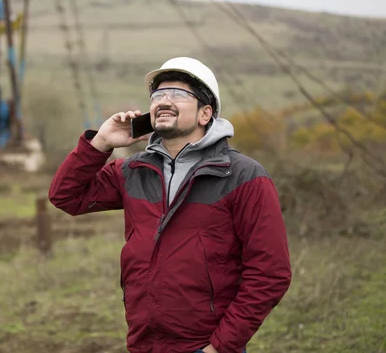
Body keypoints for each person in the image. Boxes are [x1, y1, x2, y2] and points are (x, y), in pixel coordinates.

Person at [48, 57, 292, 353]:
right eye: (158, 95)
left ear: (206, 114)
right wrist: (101, 142)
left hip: (204, 346)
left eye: (178, 94)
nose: (164, 101)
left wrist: (220, 347)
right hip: (143, 343)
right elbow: (66, 196)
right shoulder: (132, 171)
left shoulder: (243, 176)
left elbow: (270, 273)